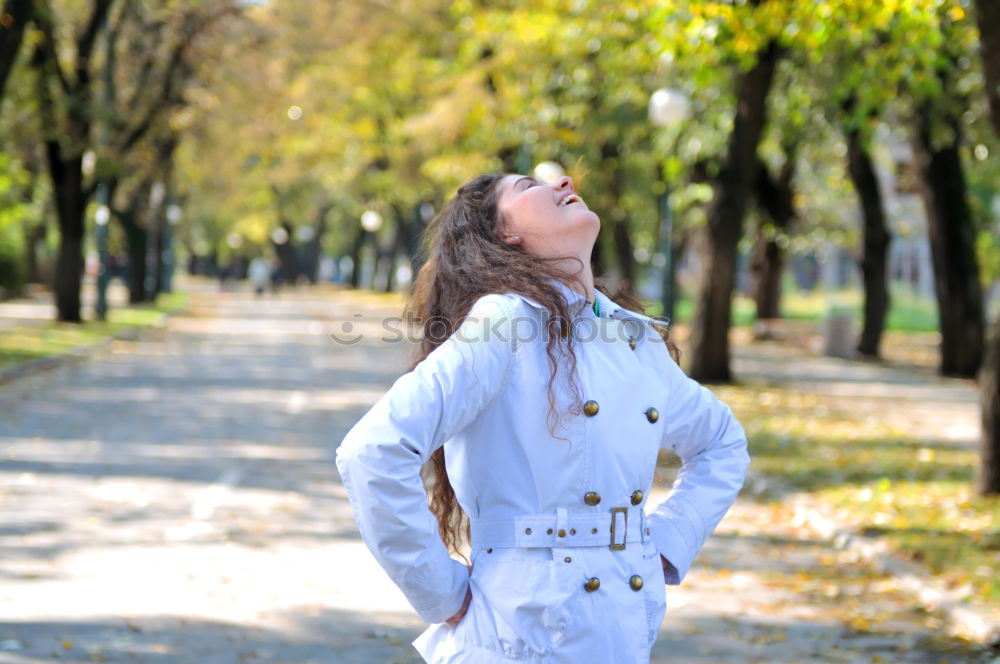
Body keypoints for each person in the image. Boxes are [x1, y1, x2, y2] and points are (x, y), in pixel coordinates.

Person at [335, 172, 750, 663]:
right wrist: (439, 592)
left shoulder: (630, 339)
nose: (565, 180)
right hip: (518, 636)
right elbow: (372, 452)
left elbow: (721, 442)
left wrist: (669, 539)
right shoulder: (505, 322)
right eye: (530, 185)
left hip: (621, 628)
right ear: (505, 234)